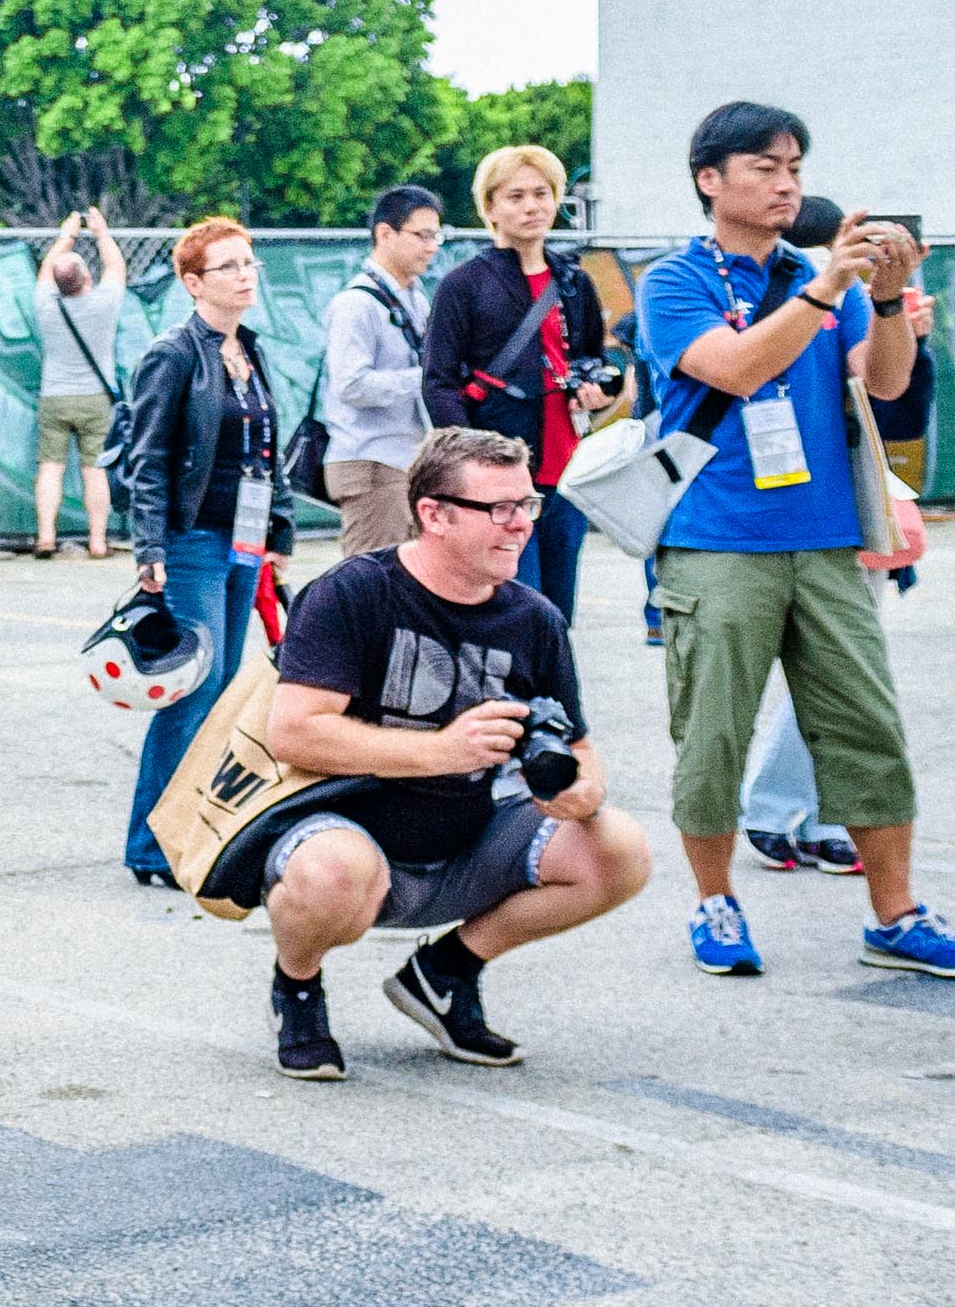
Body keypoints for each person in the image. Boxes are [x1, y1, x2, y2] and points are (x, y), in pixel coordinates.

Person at [634, 102, 952, 980]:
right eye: (767, 167)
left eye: (797, 170)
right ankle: (716, 904)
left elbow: (885, 386)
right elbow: (734, 369)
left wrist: (884, 300)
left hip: (825, 538)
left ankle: (895, 913)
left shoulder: (827, 280)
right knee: (714, 735)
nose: (788, 184)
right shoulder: (672, 282)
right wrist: (828, 288)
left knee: (866, 728)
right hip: (716, 538)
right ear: (711, 180)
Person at [257, 429, 653, 1078]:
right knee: (332, 872)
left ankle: (444, 972)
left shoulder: (533, 619)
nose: (520, 525)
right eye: (498, 509)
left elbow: (580, 745)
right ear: (433, 514)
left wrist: (579, 791)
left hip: (470, 842)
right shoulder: (354, 592)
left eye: (527, 505)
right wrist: (442, 750)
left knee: (620, 848)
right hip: (351, 837)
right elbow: (294, 732)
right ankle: (297, 984)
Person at [742, 255, 931, 876]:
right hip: (775, 514)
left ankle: (818, 819)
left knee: (848, 688)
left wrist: (903, 336)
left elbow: (896, 410)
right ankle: (775, 811)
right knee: (830, 685)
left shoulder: (861, 308)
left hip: (848, 509)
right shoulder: (755, 301)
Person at [121, 216, 294, 886]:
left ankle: (190, 834)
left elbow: (266, 455)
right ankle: (150, 846)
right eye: (229, 266)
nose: (246, 274)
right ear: (194, 283)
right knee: (189, 694)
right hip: (191, 542)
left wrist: (276, 537)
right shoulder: (174, 353)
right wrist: (149, 547)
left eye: (249, 262)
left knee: (222, 694)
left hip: (244, 541)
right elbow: (150, 456)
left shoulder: (250, 349)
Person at [425, 145, 613, 620]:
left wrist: (596, 389)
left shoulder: (573, 279)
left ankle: (552, 697)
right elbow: (439, 382)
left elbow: (594, 355)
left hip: (566, 467)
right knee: (513, 602)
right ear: (490, 208)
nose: (532, 206)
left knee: (558, 611)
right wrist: (471, 462)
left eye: (542, 193)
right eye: (516, 196)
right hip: (499, 475)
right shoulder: (464, 283)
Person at [319, 184, 444, 556]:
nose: (432, 246)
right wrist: (427, 378)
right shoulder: (355, 304)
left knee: (404, 588)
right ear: (384, 234)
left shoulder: (413, 298)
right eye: (422, 235)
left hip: (403, 460)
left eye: (437, 235)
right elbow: (351, 384)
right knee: (373, 588)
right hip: (371, 462)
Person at [31, 207, 128, 557]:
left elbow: (46, 271)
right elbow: (117, 268)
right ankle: (98, 541)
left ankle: (45, 537)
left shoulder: (46, 306)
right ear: (87, 278)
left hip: (54, 396)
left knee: (50, 468)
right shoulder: (104, 304)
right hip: (94, 399)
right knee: (94, 470)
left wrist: (66, 236)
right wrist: (100, 233)